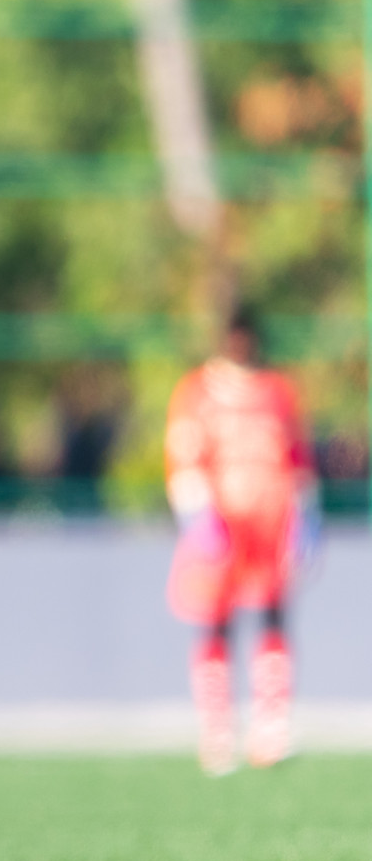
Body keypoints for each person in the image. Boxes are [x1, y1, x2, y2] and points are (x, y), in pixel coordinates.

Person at [165, 307, 317, 775]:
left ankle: (271, 726)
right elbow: (183, 458)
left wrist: (306, 514)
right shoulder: (198, 392)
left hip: (271, 523)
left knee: (273, 614)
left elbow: (297, 459)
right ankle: (217, 729)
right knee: (215, 620)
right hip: (220, 523)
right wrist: (197, 515)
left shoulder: (277, 391)